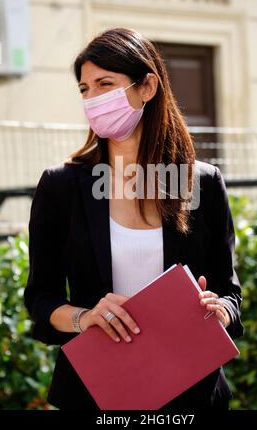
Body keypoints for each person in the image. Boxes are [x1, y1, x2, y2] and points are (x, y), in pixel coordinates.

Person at [24, 27, 243, 411]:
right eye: (84, 89)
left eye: (104, 84)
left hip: (193, 392)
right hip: (94, 395)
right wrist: (85, 317)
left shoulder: (202, 183)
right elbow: (41, 299)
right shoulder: (62, 186)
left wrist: (219, 310)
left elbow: (230, 292)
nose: (92, 99)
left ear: (147, 87)